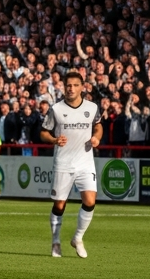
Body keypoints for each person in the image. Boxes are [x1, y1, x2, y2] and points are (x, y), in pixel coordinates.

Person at [40, 71, 103, 258]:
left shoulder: (92, 108)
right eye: (68, 85)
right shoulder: (56, 109)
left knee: (90, 201)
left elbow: (98, 125)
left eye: (75, 85)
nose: (71, 89)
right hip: (63, 162)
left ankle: (78, 238)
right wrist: (53, 139)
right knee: (59, 205)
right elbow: (43, 132)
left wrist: (97, 137)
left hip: (85, 161)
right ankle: (56, 241)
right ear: (63, 87)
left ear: (82, 87)